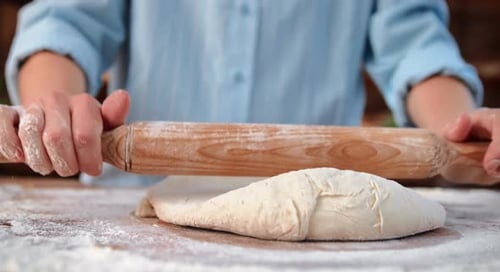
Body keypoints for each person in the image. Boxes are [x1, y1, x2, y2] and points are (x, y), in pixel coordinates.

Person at [1, 0, 499, 186]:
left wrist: (458, 131)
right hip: (129, 218)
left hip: (321, 228)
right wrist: (55, 103)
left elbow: (416, 48)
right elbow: (67, 23)